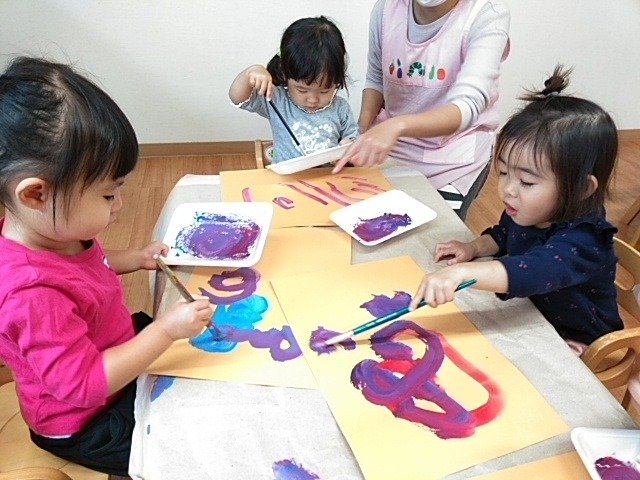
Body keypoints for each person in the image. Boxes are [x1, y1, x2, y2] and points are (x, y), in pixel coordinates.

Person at [0, 57, 213, 476]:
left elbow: (85, 265)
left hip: (110, 349)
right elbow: (83, 384)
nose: (119, 205)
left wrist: (135, 258)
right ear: (36, 195)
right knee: (188, 446)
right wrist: (164, 331)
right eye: (107, 195)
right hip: (88, 420)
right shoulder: (30, 295)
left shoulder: (51, 230)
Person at [408, 66, 622, 354]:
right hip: (532, 314)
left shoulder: (585, 240)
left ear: (582, 188)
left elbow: (535, 270)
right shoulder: (529, 210)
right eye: (504, 172)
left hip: (581, 337)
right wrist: (473, 248)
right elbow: (503, 233)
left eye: (527, 181)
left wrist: (461, 273)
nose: (508, 189)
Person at [332, 0, 510, 220]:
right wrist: (361, 134)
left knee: (432, 232)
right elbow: (376, 78)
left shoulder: (487, 15)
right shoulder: (386, 9)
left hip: (452, 159)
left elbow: (467, 106)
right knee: (368, 221)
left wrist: (396, 126)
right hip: (393, 149)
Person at [229, 16, 359, 163]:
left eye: (325, 91)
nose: (313, 99)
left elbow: (355, 142)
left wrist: (348, 149)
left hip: (329, 175)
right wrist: (250, 72)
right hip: (287, 175)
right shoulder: (276, 99)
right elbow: (237, 98)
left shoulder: (341, 108)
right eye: (302, 90)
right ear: (285, 73)